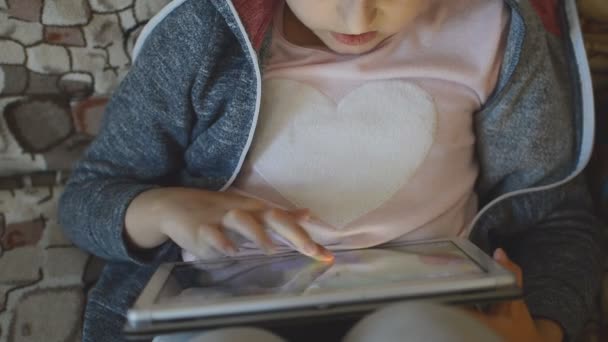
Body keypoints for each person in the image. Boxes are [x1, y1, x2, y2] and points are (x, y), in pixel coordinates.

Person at [58, 0, 604, 341]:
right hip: (217, 311)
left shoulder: (495, 32)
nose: (356, 17)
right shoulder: (205, 33)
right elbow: (88, 199)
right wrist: (160, 208)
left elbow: (557, 220)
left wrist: (543, 328)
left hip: (427, 304)